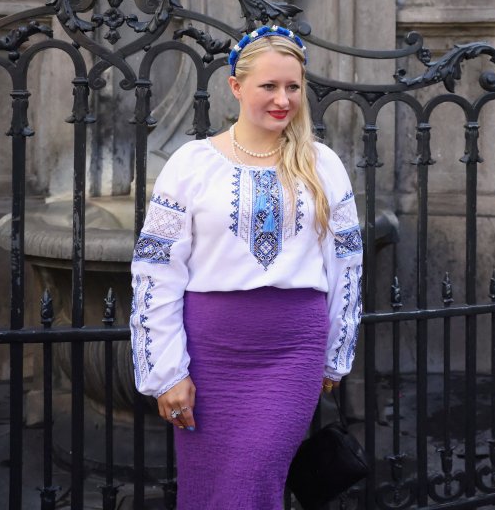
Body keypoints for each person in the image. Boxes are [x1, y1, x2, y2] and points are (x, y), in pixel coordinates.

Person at [129, 25, 363, 508]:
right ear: (236, 87)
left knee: (251, 480)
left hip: (291, 351)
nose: (283, 99)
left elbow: (347, 264)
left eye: (293, 87)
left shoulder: (322, 164)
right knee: (209, 488)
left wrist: (335, 352)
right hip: (210, 352)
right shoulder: (191, 164)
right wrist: (167, 372)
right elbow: (156, 268)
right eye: (269, 86)